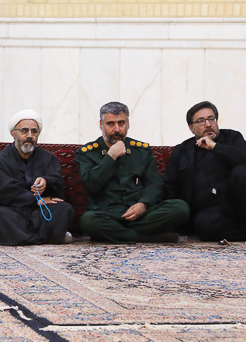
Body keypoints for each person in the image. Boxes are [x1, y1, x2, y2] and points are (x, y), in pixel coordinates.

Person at [164, 101, 246, 245]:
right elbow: (170, 185)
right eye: (201, 121)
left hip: (239, 204)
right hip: (208, 210)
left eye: (211, 119)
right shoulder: (182, 151)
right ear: (191, 128)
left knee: (242, 172)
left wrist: (215, 146)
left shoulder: (233, 138)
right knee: (203, 227)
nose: (208, 124)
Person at [76, 102, 189, 244]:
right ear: (101, 125)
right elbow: (93, 185)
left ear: (128, 124)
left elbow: (154, 184)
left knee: (180, 208)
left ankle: (115, 235)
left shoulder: (142, 151)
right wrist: (111, 156)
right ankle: (147, 238)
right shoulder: (86, 153)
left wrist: (143, 205)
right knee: (88, 221)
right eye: (110, 124)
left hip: (140, 214)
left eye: (121, 123)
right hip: (107, 213)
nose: (117, 129)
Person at [0, 110, 75, 245]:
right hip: (10, 210)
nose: (30, 136)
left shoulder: (49, 158)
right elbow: (3, 189)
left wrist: (46, 182)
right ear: (13, 133)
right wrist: (34, 200)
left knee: (64, 209)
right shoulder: (0, 159)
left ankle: (23, 237)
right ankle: (47, 236)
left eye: (34, 131)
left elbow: (56, 181)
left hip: (39, 211)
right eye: (24, 131)